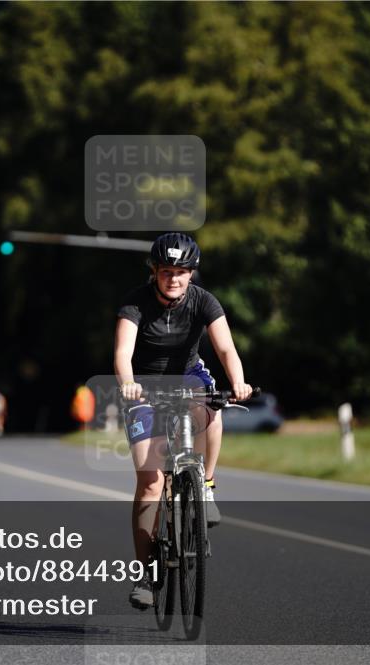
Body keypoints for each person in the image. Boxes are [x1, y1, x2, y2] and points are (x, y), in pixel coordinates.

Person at [114, 232, 252, 609]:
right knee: (150, 482)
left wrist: (238, 382)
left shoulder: (204, 301)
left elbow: (225, 348)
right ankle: (146, 575)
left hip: (189, 377)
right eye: (166, 271)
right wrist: (127, 385)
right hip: (143, 387)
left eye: (181, 271)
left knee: (211, 407)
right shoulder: (135, 304)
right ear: (154, 272)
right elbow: (123, 353)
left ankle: (205, 484)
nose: (173, 279)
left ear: (191, 274)